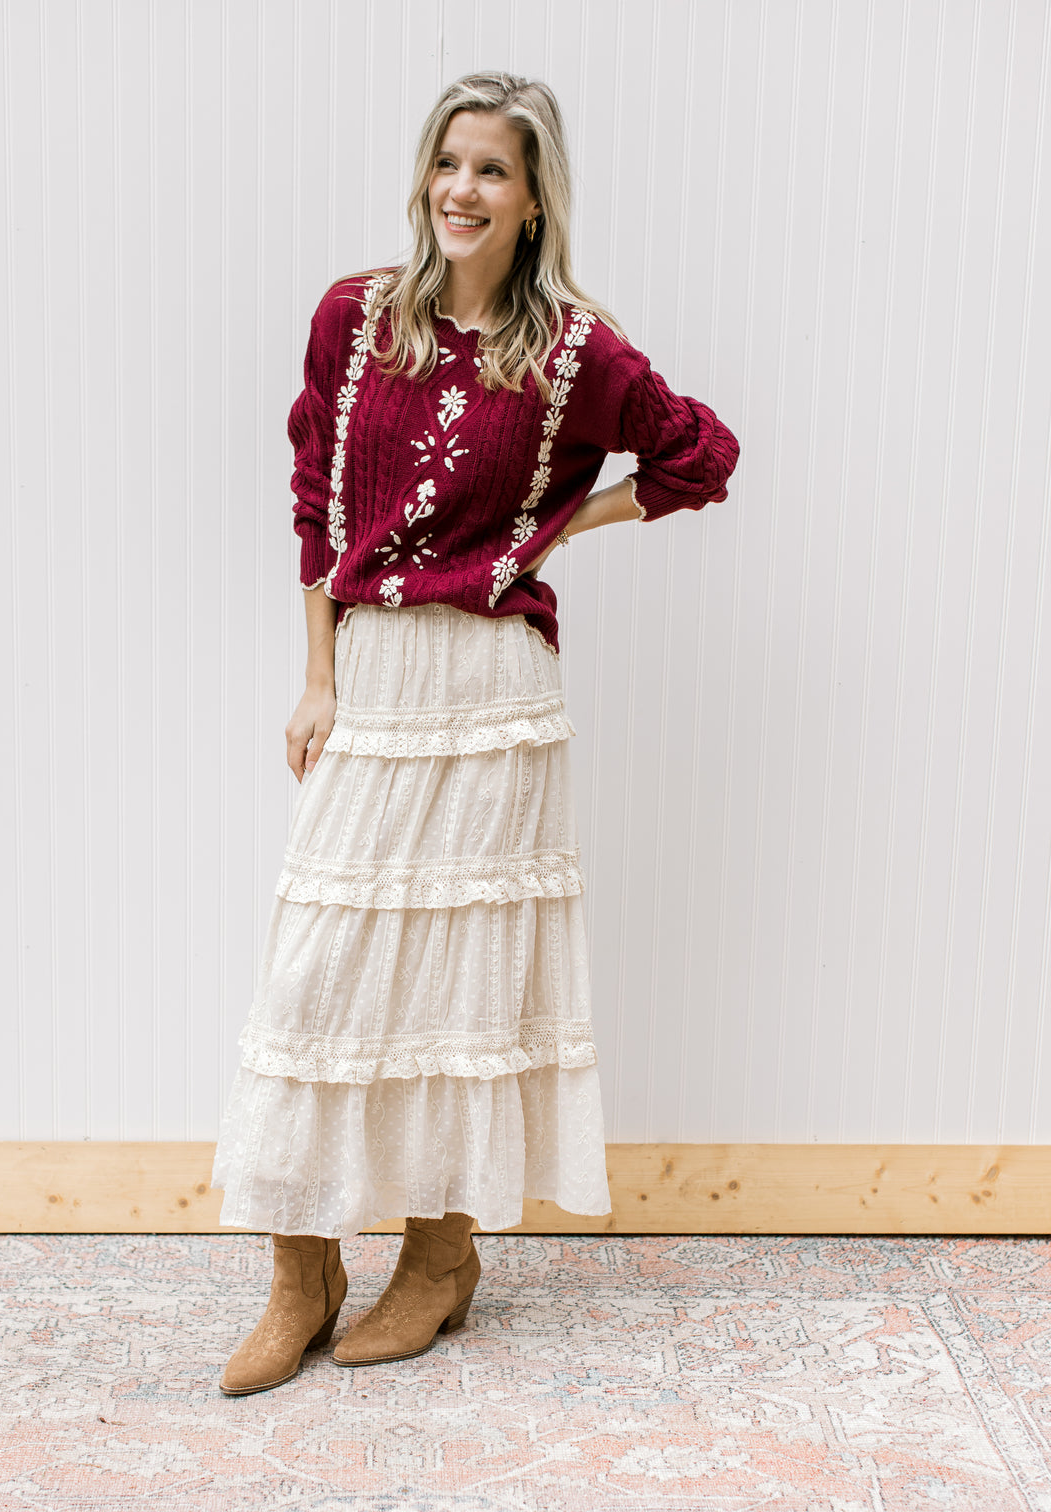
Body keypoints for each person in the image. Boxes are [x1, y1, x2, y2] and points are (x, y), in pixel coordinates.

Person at [211, 70, 739, 1395]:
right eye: (450, 162)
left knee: (458, 994)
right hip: (376, 677)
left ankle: (441, 1261)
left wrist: (561, 525)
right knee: (314, 982)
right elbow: (313, 508)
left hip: (495, 694)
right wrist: (317, 674)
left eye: (494, 170)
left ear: (532, 196)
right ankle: (301, 1271)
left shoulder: (573, 354)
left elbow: (699, 453)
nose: (463, 189)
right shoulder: (353, 318)